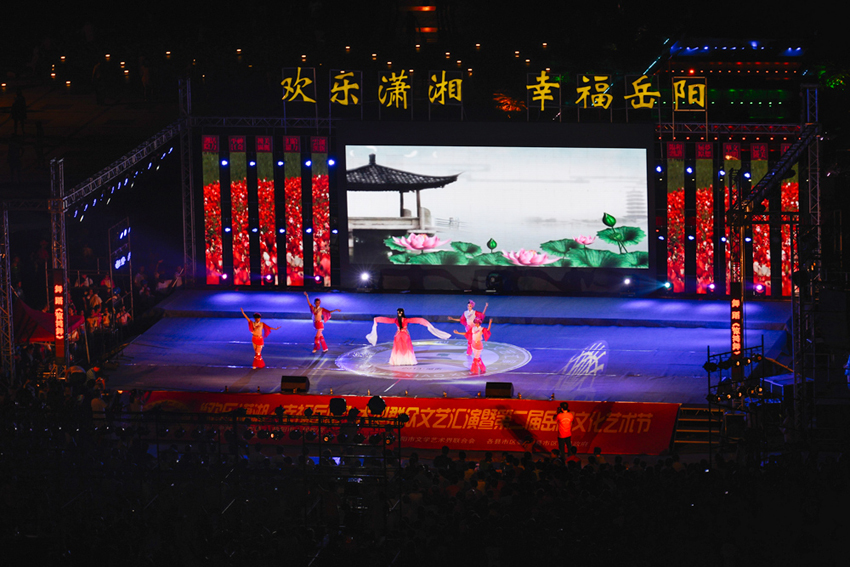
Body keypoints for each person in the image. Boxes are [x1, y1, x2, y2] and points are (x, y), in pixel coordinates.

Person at [366, 308, 450, 365]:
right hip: (405, 335)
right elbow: (417, 320)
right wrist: (424, 322)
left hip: (398, 335)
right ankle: (408, 361)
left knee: (398, 348)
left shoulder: (396, 320)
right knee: (406, 348)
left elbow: (387, 320)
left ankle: (398, 361)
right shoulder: (405, 320)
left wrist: (377, 319)